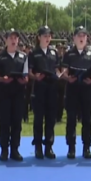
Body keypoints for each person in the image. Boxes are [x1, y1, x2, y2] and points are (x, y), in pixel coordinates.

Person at [0, 29, 30, 161]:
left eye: (16, 38)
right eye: (11, 38)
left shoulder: (23, 56)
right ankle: (4, 150)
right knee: (4, 123)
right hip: (4, 94)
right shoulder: (0, 56)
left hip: (19, 94)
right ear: (6, 40)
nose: (14, 40)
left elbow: (26, 76)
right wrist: (3, 79)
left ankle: (15, 149)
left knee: (17, 123)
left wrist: (23, 80)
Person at [62, 27, 91, 159]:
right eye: (79, 35)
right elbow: (64, 71)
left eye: (84, 35)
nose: (82, 38)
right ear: (74, 38)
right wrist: (67, 77)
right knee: (71, 120)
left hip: (86, 90)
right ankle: (71, 148)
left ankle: (86, 147)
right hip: (72, 89)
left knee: (87, 120)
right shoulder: (69, 54)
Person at [29, 26, 61, 159]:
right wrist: (36, 76)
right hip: (39, 88)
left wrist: (59, 74)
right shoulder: (33, 53)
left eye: (49, 36)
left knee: (50, 119)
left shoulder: (54, 53)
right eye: (45, 35)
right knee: (38, 119)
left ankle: (49, 146)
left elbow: (58, 69)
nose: (47, 38)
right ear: (39, 37)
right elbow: (29, 72)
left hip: (52, 88)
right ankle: (38, 147)